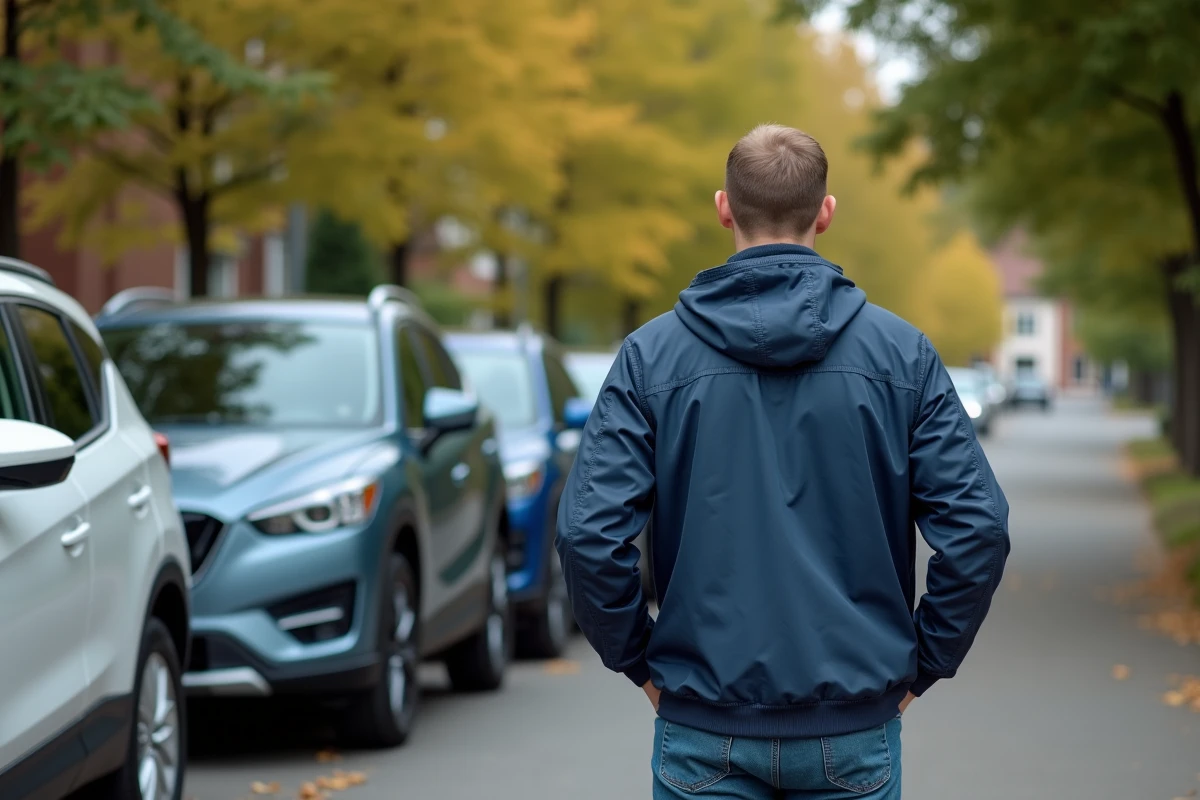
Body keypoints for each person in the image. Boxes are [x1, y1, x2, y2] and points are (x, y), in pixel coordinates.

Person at [554, 124, 1010, 799]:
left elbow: (587, 534)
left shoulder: (650, 358)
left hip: (701, 724)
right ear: (825, 211)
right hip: (854, 728)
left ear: (723, 208)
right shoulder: (903, 356)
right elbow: (978, 529)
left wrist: (641, 665)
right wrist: (921, 666)